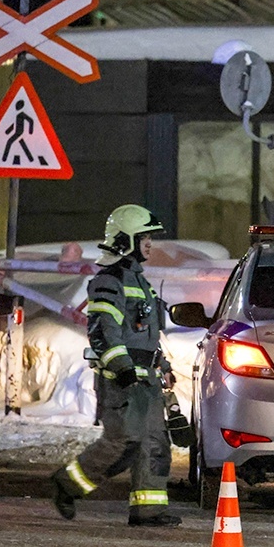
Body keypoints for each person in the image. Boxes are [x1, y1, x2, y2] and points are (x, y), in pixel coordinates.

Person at [51, 204, 181, 527]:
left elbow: (145, 335)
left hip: (146, 380)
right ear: (127, 240)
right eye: (145, 237)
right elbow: (103, 331)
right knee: (122, 443)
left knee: (154, 444)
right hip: (121, 381)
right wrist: (121, 366)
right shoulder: (109, 281)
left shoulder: (140, 281)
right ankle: (66, 485)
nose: (150, 243)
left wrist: (161, 365)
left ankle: (148, 510)